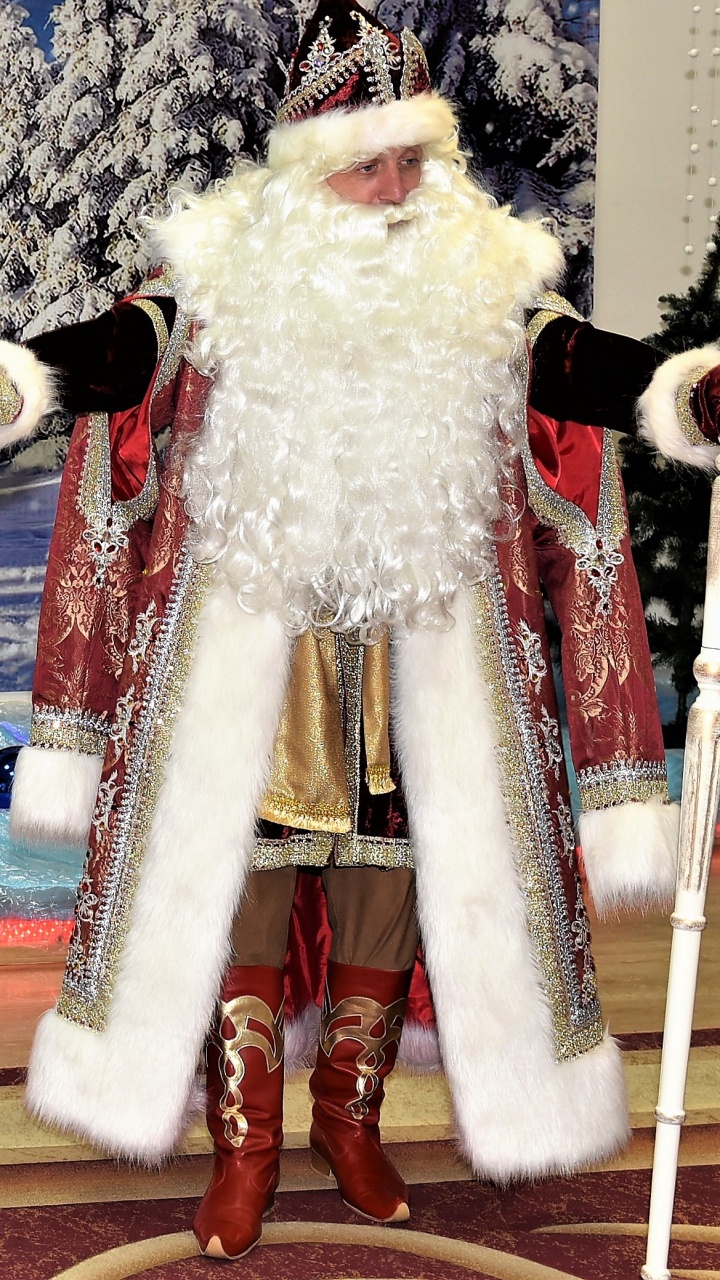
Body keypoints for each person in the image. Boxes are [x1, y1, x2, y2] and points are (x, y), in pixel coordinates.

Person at [2, 0, 720, 1262]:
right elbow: (116, 358)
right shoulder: (212, 291)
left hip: (418, 656)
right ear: (301, 176)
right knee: (244, 891)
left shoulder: (481, 290)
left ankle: (350, 1118)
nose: (395, 191)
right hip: (253, 668)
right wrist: (26, 377)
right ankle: (245, 1148)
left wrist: (683, 391)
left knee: (388, 887)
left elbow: (574, 369)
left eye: (412, 162)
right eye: (365, 166)